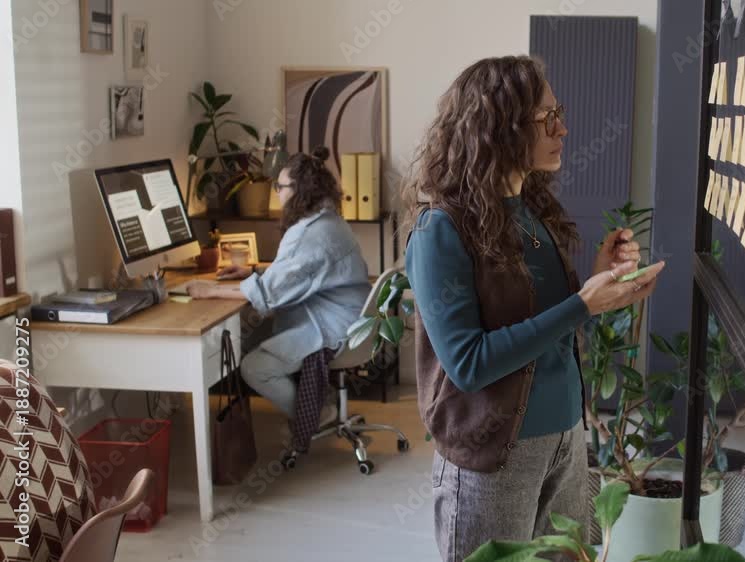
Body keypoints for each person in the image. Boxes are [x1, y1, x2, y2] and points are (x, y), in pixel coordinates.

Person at [401, 56, 666, 562]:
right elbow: (468, 363)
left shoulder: (530, 211)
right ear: (497, 127)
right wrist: (582, 304)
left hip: (567, 442)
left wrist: (597, 284)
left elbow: (546, 323)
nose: (562, 128)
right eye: (546, 118)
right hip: (494, 455)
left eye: (558, 114)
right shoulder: (441, 230)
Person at [188, 146, 372, 426]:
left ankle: (317, 415)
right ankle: (319, 400)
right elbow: (302, 273)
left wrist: (210, 290)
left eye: (280, 187)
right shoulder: (328, 219)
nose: (276, 193)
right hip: (351, 318)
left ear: (299, 191)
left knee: (253, 367)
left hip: (335, 327)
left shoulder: (308, 233)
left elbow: (269, 293)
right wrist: (253, 271)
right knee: (249, 337)